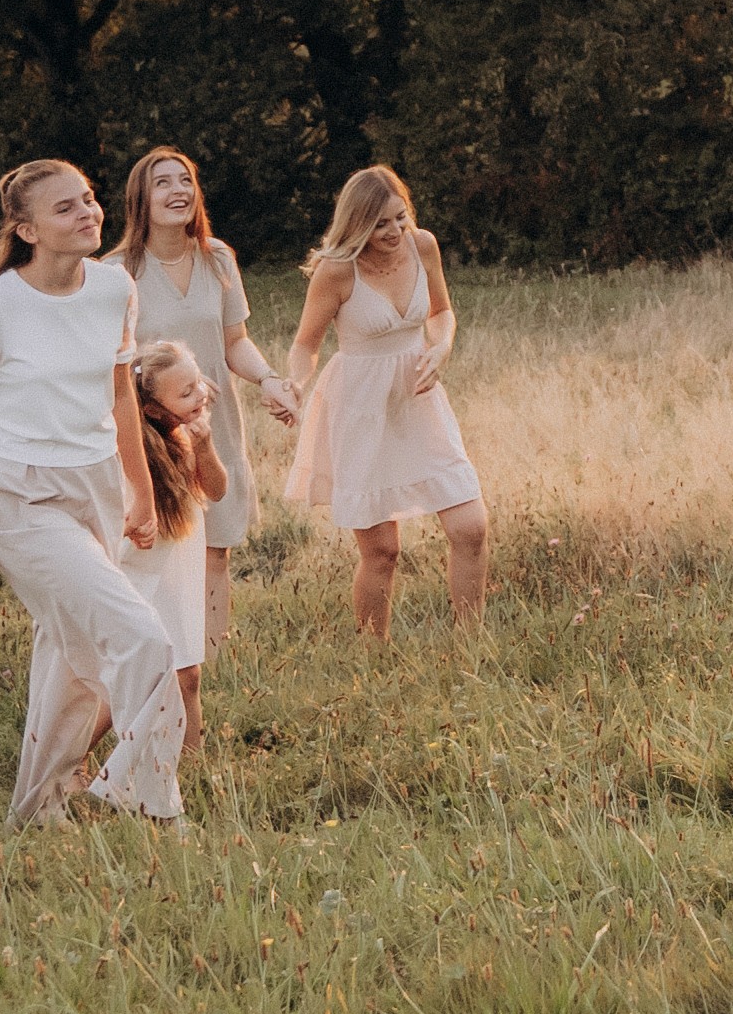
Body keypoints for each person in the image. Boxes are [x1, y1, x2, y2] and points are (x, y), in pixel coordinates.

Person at [0, 155, 183, 827]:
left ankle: (37, 807)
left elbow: (118, 394)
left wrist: (139, 488)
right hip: (19, 497)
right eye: (66, 208)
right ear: (26, 229)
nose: (88, 214)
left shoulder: (115, 290)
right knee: (142, 639)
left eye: (88, 200)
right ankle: (149, 801)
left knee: (67, 654)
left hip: (97, 485)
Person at [286, 165, 485, 636]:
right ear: (357, 225)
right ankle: (373, 657)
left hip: (419, 401)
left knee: (471, 527)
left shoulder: (423, 245)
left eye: (399, 217)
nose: (394, 230)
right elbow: (305, 345)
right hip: (360, 408)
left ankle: (471, 642)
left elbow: (441, 312)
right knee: (381, 552)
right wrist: (294, 385)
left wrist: (441, 348)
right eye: (380, 224)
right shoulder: (336, 272)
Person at [116, 145, 282, 559]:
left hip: (211, 420)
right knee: (160, 552)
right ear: (141, 199)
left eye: (186, 179)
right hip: (152, 430)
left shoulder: (218, 258)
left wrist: (268, 378)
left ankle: (215, 629)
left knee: (215, 549)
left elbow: (235, 342)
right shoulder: (116, 272)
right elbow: (110, 364)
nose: (179, 190)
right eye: (163, 182)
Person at [130, 338, 233, 731]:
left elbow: (217, 490)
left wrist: (204, 446)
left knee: (188, 675)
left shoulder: (188, 433)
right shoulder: (138, 446)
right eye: (186, 392)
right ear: (152, 409)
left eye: (198, 385)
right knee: (148, 674)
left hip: (181, 569)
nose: (199, 396)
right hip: (145, 570)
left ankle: (193, 762)